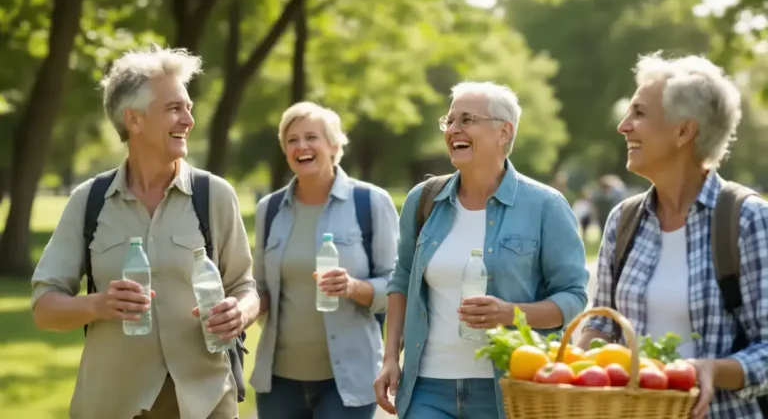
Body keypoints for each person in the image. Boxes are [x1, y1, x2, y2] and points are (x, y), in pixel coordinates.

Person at [30, 46, 259, 419]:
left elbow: (245, 287)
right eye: (174, 108)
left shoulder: (214, 195)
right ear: (134, 120)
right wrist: (99, 305)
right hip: (112, 404)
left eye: (188, 107)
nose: (189, 120)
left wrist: (240, 312)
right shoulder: (89, 201)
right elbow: (44, 309)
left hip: (206, 402)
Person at [374, 81, 590, 419]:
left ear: (504, 132)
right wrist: (390, 357)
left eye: (467, 120)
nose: (453, 129)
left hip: (512, 387)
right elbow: (401, 279)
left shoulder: (545, 205)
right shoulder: (423, 200)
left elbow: (573, 297)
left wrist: (511, 314)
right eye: (449, 121)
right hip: (427, 388)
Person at [579, 52, 768, 419]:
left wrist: (712, 369)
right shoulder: (624, 220)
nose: (623, 126)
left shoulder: (748, 220)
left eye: (639, 113)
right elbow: (603, 323)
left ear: (683, 131)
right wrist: (579, 364)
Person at [249, 101, 399, 418]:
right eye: (292, 140)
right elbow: (260, 288)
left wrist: (353, 287)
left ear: (334, 145)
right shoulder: (269, 209)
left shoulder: (370, 202)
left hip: (347, 382)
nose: (301, 146)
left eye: (311, 137)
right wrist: (237, 311)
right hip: (278, 384)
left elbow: (397, 288)